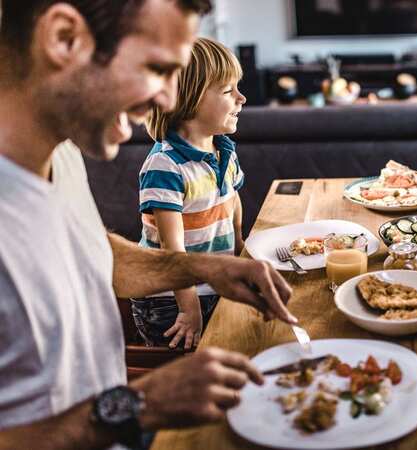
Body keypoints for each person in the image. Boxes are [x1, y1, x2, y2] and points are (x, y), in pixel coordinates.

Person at [0, 1, 298, 449]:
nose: (166, 98)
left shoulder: (61, 151)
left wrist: (205, 269)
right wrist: (140, 405)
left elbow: (94, 254)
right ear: (64, 39)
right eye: (156, 68)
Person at [131, 37, 247, 349]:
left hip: (213, 284)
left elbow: (231, 198)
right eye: (227, 91)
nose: (242, 98)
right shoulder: (165, 165)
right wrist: (189, 308)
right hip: (170, 300)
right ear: (188, 100)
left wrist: (239, 245)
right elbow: (173, 249)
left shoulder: (222, 148)